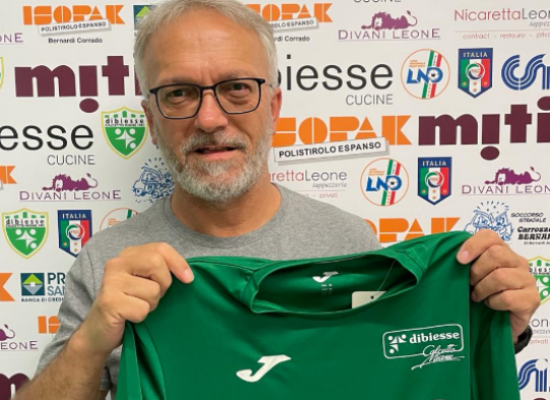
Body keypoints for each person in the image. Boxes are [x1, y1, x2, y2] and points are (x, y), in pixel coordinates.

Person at [15, 0, 540, 399]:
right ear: (151, 122)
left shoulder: (349, 241)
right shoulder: (109, 262)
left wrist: (495, 328)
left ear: (273, 106)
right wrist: (91, 342)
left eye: (236, 88)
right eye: (178, 93)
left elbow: (395, 369)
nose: (209, 119)